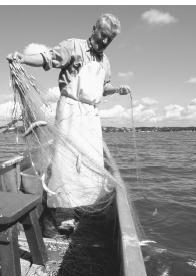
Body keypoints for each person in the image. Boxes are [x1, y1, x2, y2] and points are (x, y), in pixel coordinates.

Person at [7, 13, 130, 237]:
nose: (104, 42)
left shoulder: (105, 61)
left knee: (89, 163)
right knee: (64, 163)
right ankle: (56, 216)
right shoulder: (73, 46)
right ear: (94, 29)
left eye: (109, 40)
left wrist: (117, 90)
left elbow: (104, 87)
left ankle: (82, 207)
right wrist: (22, 58)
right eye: (102, 35)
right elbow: (48, 58)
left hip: (91, 116)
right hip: (71, 110)